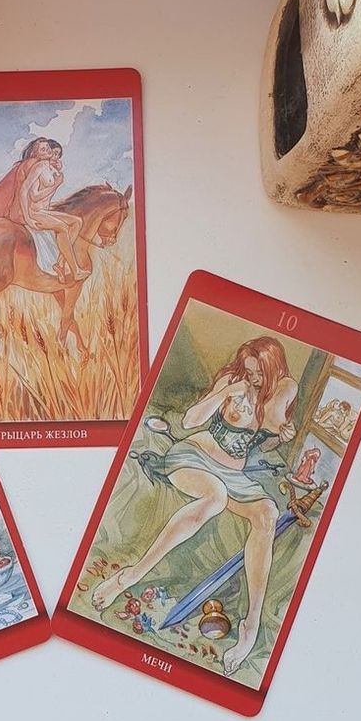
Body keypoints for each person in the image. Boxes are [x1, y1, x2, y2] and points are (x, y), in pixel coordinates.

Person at [91, 337, 298, 676]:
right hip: (196, 455)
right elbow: (189, 421)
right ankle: (131, 575)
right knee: (215, 497)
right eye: (249, 371)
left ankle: (251, 623)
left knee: (268, 514)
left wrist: (280, 437)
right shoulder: (233, 381)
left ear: (273, 369)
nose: (253, 379)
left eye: (260, 373)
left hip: (235, 474)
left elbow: (262, 440)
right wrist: (225, 393)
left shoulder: (280, 392)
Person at [19, 140, 90, 282]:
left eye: (57, 153)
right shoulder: (39, 166)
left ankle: (60, 262)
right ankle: (75, 270)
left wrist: (56, 172)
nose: (53, 155)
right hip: (35, 212)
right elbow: (32, 195)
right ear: (38, 153)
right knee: (62, 227)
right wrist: (28, 218)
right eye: (47, 150)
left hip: (44, 211)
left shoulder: (49, 168)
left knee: (77, 222)